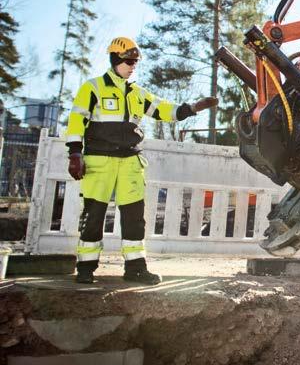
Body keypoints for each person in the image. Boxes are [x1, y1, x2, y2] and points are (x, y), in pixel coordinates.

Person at [65, 36, 218, 284]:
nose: (132, 65)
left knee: (135, 217)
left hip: (130, 162)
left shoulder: (138, 93)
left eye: (135, 62)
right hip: (99, 161)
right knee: (94, 214)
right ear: (115, 59)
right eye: (128, 61)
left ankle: (135, 268)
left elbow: (165, 110)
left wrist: (194, 108)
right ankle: (85, 268)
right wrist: (74, 153)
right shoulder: (92, 88)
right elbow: (76, 120)